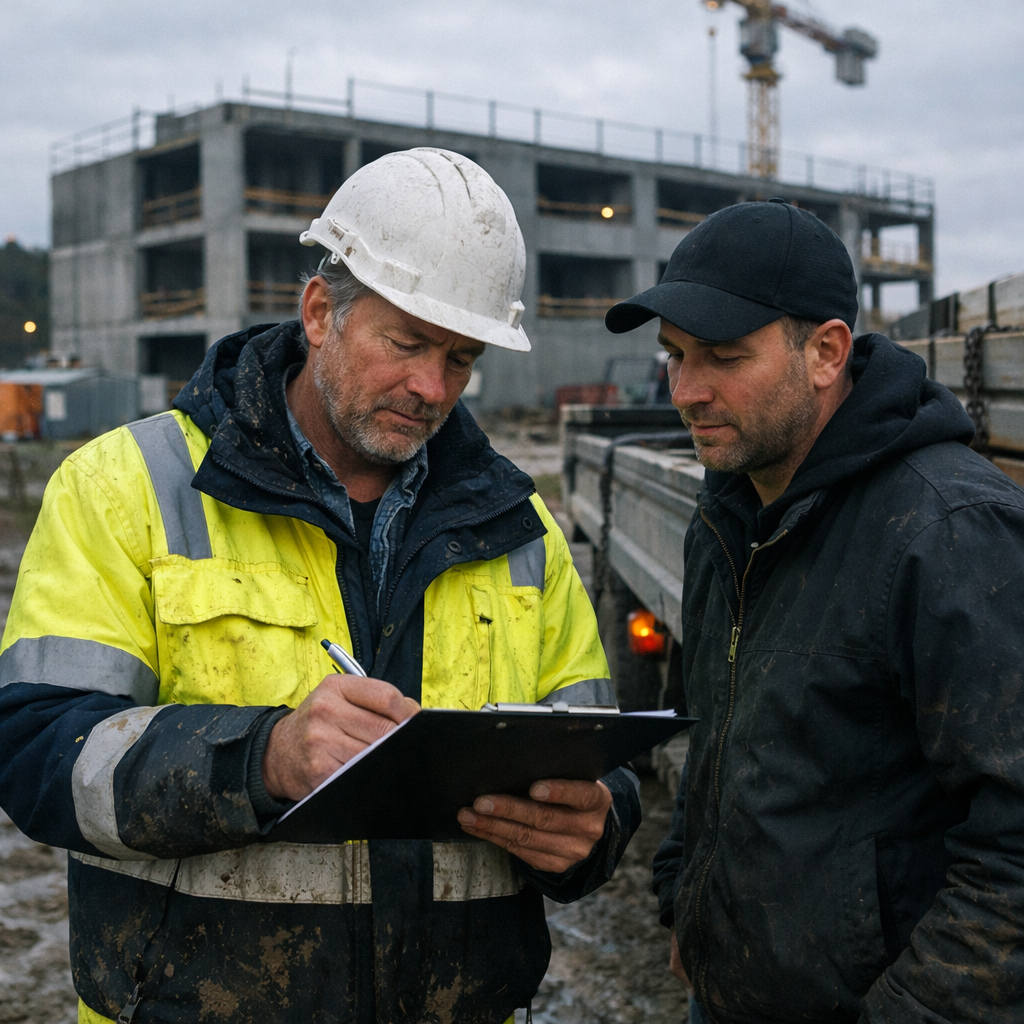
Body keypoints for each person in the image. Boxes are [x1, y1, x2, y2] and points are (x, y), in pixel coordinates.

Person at [0, 148, 640, 1024]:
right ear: (318, 313)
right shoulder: (126, 488)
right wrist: (260, 758)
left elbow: (598, 762)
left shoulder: (520, 530)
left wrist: (590, 834)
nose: (431, 387)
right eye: (405, 342)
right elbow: (37, 751)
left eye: (460, 358)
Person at [605, 198, 1024, 1023]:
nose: (685, 391)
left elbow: (1014, 852)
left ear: (827, 351)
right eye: (675, 356)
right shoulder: (728, 514)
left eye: (722, 356)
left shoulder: (949, 533)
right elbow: (719, 734)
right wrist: (684, 897)